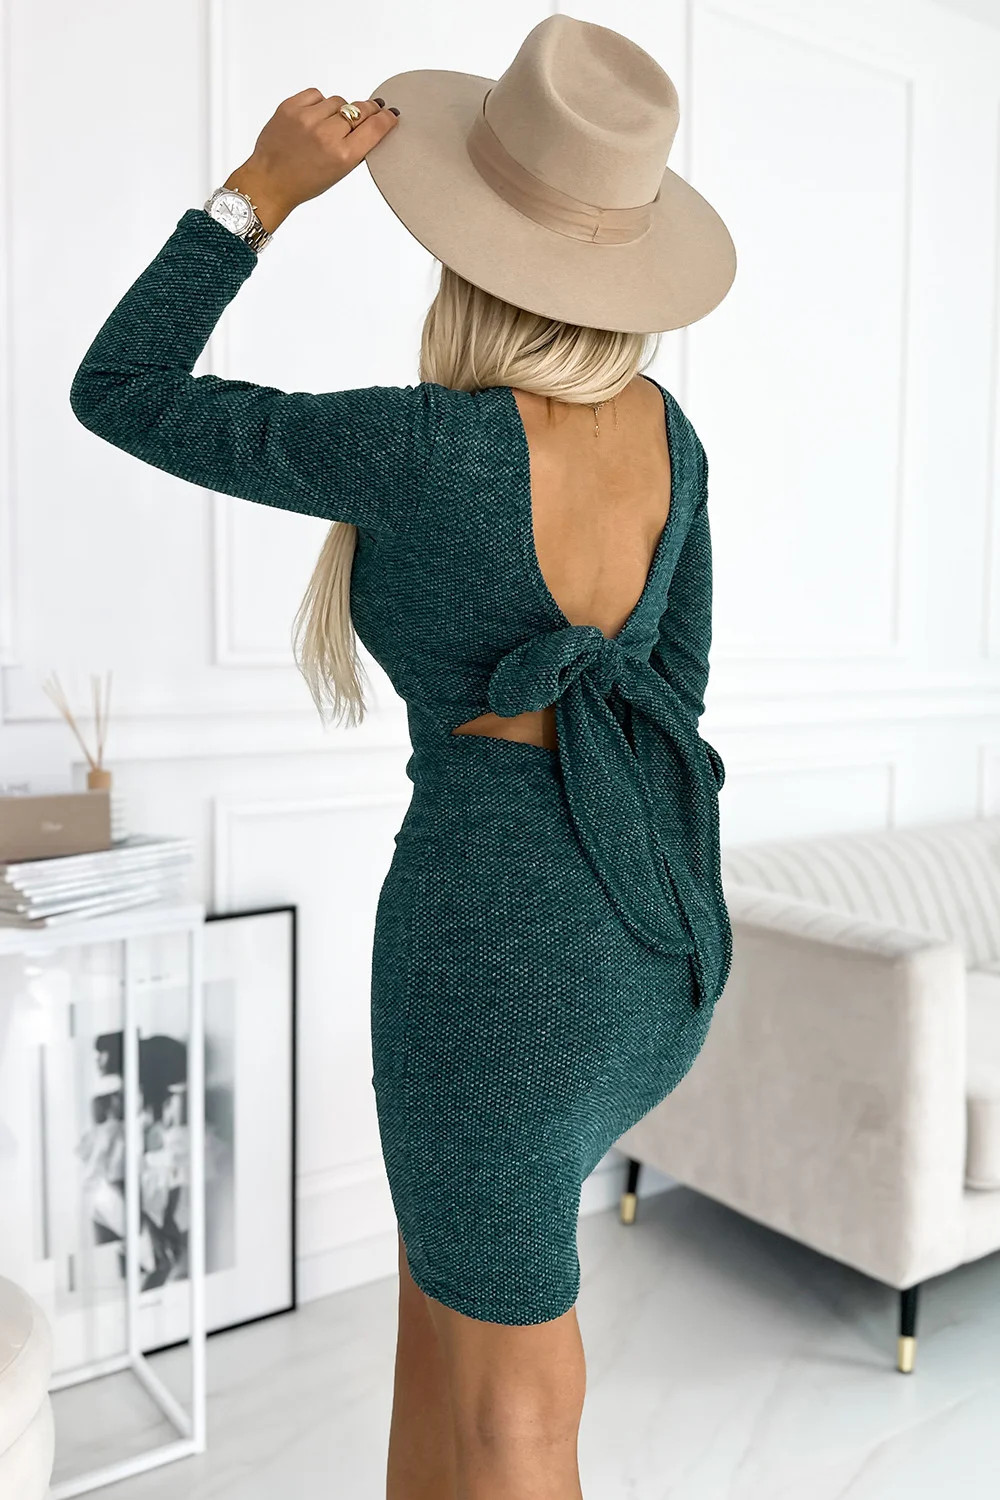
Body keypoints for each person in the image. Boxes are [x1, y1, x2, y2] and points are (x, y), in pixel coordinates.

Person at [69, 14, 736, 1498]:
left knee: (513, 1411)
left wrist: (258, 193)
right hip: (656, 948)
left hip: (494, 964)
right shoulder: (671, 437)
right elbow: (676, 696)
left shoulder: (430, 449)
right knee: (443, 1320)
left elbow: (120, 388)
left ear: (470, 242)